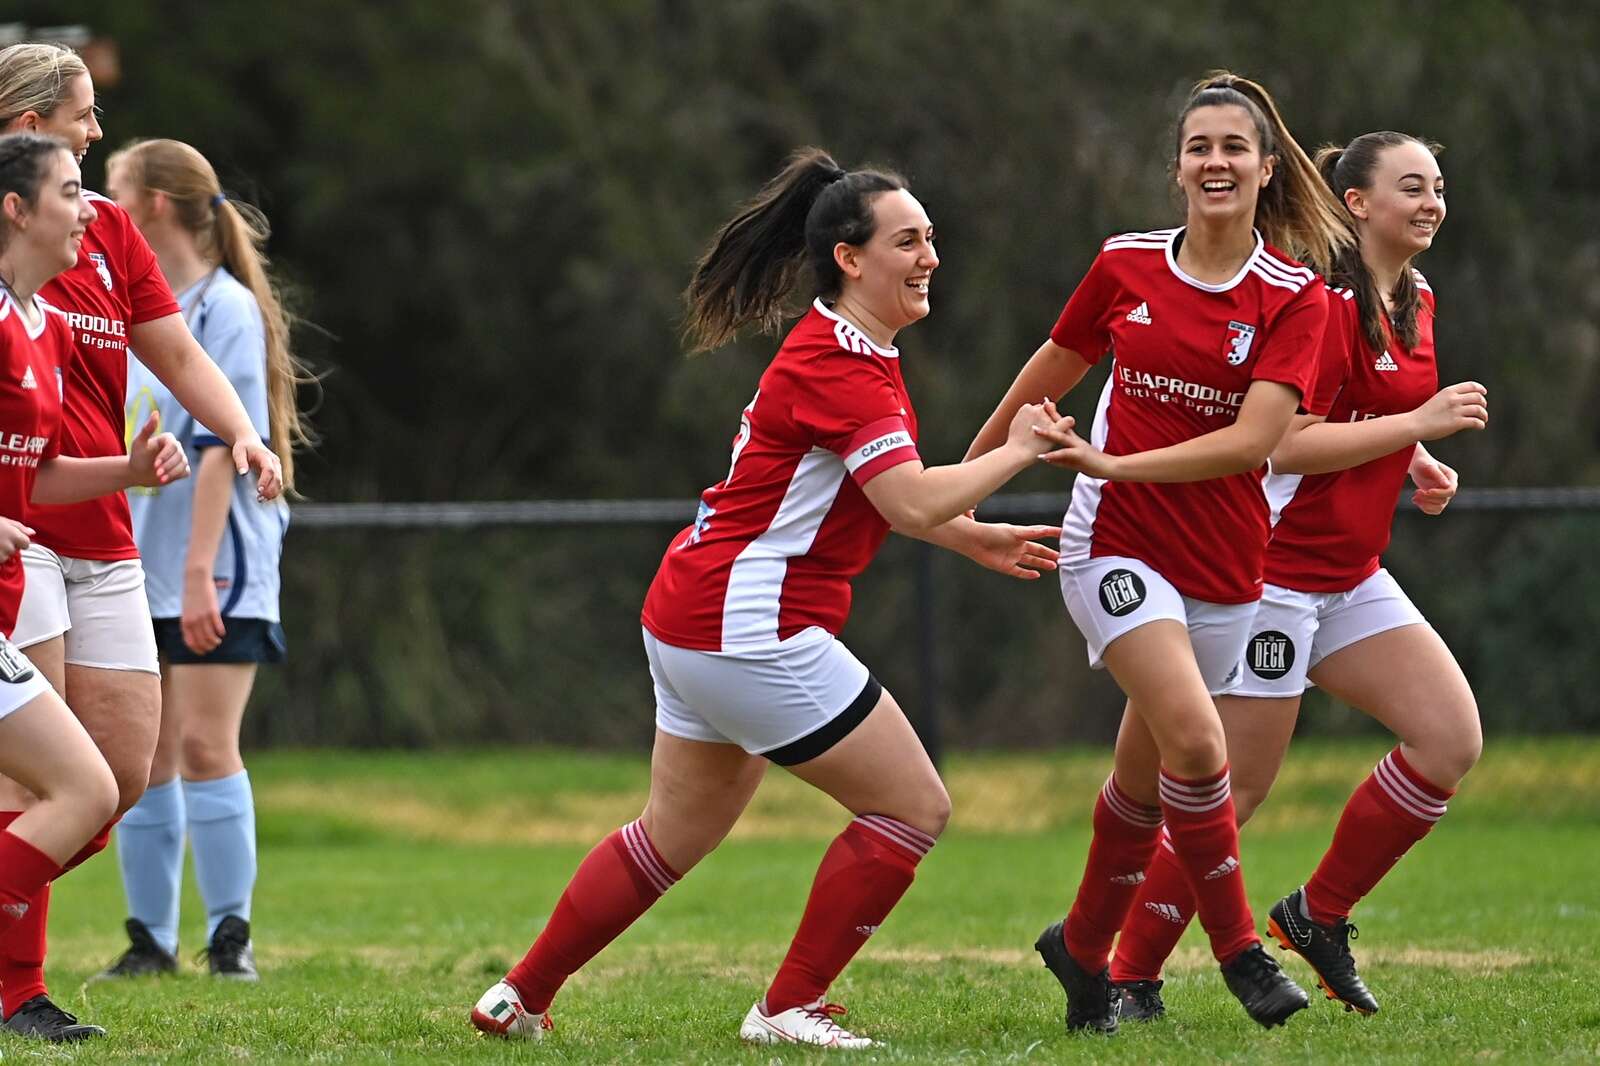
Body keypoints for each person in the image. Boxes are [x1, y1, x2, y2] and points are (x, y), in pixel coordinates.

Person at [470, 147, 1069, 1048]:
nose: (930, 257)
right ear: (849, 258)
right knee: (914, 808)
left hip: (693, 615)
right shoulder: (846, 366)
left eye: (931, 238)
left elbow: (874, 497)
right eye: (908, 242)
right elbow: (907, 501)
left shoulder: (845, 349)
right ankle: (788, 1009)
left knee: (669, 837)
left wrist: (971, 535)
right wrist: (1019, 450)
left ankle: (519, 996)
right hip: (749, 628)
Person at [967, 71, 1351, 1032]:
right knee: (1200, 741)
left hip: (1225, 565)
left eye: (1233, 148)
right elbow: (1048, 372)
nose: (1215, 162)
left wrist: (1113, 457)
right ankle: (1241, 952)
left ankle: (1081, 949)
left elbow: (1254, 443)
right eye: (1198, 147)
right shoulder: (1125, 265)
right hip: (1114, 543)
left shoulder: (1295, 297)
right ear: (1177, 168)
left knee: (1142, 790)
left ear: (1266, 168)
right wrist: (960, 488)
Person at [1108, 132, 1484, 1022]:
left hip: (1351, 574)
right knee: (1233, 792)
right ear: (1356, 203)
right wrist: (1416, 427)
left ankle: (1318, 915)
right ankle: (1126, 972)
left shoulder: (1417, 297)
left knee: (1448, 740)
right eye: (1411, 187)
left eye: (1438, 186)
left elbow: (1370, 408)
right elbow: (1281, 443)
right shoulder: (1323, 302)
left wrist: (1416, 456)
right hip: (1272, 576)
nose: (1431, 202)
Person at [0, 42, 282, 1042]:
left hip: (105, 532)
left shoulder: (104, 233)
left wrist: (240, 433)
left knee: (114, 781)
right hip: (23, 537)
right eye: (83, 116)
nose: (98, 131)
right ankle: (18, 992)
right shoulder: (19, 256)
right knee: (39, 781)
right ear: (30, 128)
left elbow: (178, 353)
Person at [88, 138, 307, 983]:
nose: (98, 204)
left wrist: (196, 576)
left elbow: (222, 448)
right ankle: (150, 940)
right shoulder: (134, 306)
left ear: (152, 205)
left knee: (207, 745)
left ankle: (229, 940)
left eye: (113, 189)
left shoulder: (225, 308)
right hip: (141, 561)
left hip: (215, 567)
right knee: (145, 757)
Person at [0, 130, 190, 1042]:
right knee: (71, 791)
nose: (90, 212)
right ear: (16, 209)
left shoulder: (41, 326)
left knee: (93, 790)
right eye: (72, 192)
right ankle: (16, 992)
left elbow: (34, 478)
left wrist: (130, 472)